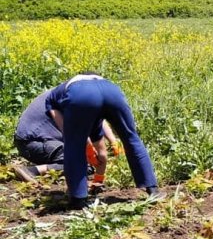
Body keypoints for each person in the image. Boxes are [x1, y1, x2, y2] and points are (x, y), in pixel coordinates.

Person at [45, 74, 159, 209]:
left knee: (73, 146)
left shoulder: (52, 99)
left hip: (82, 95)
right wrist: (110, 141)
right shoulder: (94, 84)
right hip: (112, 91)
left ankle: (78, 199)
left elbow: (66, 131)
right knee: (131, 138)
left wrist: (81, 144)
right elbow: (99, 122)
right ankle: (152, 189)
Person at [12, 89, 120, 184]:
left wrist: (113, 142)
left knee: (82, 158)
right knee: (82, 164)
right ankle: (32, 170)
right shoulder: (72, 100)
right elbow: (77, 132)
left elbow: (99, 120)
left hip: (37, 139)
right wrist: (90, 151)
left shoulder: (74, 93)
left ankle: (52, 164)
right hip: (31, 142)